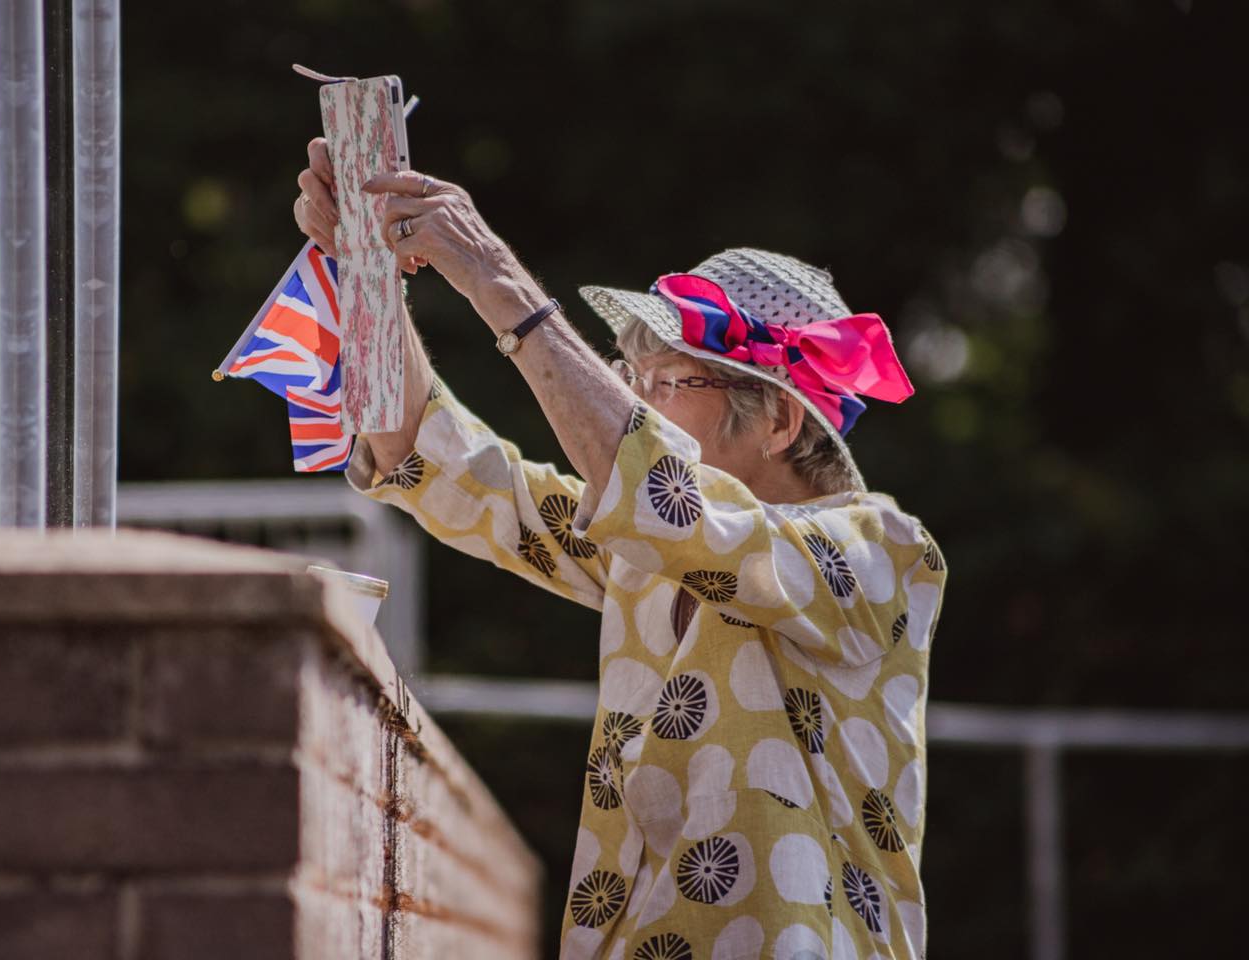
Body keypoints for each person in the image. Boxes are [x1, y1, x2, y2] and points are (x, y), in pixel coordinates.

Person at [294, 137, 947, 960]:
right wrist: (366, 274)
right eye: (634, 376)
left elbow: (662, 496)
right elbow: (431, 460)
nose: (636, 402)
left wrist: (495, 277)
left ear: (781, 421)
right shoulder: (647, 545)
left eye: (670, 381)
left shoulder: (886, 551)